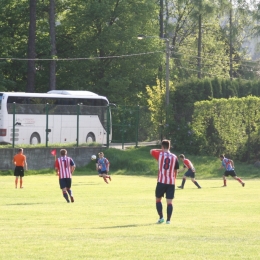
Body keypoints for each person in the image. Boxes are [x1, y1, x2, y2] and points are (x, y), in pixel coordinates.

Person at [150, 139, 179, 224]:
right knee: (169, 202)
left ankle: (161, 217)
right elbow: (176, 170)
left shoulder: (160, 154)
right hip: (171, 182)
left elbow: (151, 151)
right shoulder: (174, 157)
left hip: (161, 181)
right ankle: (168, 220)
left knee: (158, 200)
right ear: (169, 147)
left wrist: (161, 149)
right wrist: (174, 179)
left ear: (162, 146)